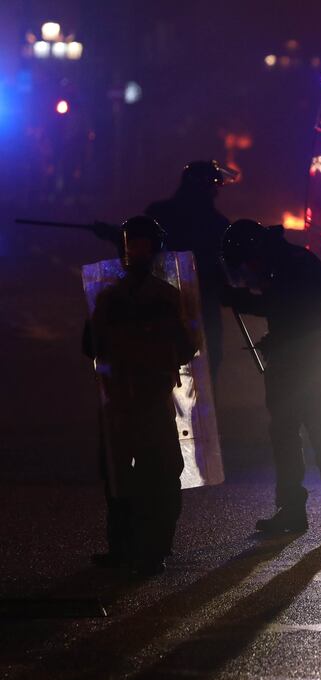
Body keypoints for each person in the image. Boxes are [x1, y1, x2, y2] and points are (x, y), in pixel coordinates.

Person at [221, 220, 321, 537]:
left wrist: (236, 298)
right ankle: (304, 510)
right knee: (292, 434)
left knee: (315, 432)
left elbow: (281, 304)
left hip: (307, 359)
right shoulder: (288, 260)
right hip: (296, 356)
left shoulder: (292, 265)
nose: (249, 271)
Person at [85, 216, 198, 576]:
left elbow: (185, 348)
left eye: (142, 244)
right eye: (133, 244)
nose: (137, 251)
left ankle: (148, 549)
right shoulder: (119, 297)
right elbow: (91, 345)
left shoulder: (158, 297)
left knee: (157, 475)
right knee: (125, 477)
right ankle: (132, 548)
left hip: (144, 398)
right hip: (125, 398)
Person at [146, 161, 232, 382]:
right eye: (214, 186)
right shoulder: (218, 223)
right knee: (206, 369)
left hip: (163, 305)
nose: (216, 192)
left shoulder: (158, 213)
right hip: (201, 308)